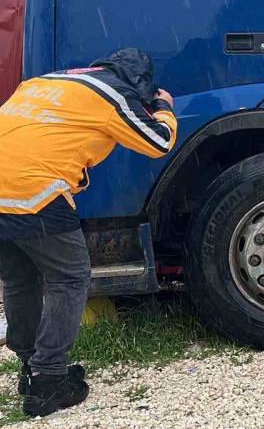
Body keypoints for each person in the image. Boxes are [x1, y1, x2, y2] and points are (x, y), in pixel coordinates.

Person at [0, 48, 177, 417]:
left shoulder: (45, 81)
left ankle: (30, 368)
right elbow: (157, 142)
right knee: (69, 277)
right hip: (32, 192)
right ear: (137, 84)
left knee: (20, 280)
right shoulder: (113, 94)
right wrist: (163, 107)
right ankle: (48, 383)